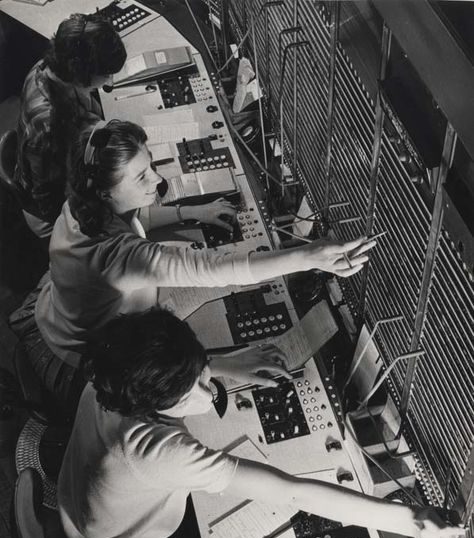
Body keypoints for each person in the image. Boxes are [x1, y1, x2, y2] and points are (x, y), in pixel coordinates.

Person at [58, 309, 464, 538]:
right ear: (157, 402)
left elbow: (169, 364)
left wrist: (225, 364)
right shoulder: (157, 451)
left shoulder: (114, 374)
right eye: (193, 389)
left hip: (76, 507)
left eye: (202, 372)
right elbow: (291, 492)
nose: (209, 389)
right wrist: (413, 522)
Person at [10, 118, 375, 417]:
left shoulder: (81, 204)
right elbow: (208, 268)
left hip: (52, 312)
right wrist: (310, 255)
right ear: (104, 192)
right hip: (78, 365)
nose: (156, 180)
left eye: (150, 166)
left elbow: (140, 216)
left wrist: (192, 211)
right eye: (141, 177)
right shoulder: (116, 257)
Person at [15, 14, 232, 241]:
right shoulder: (47, 126)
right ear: (80, 72)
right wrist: (188, 211)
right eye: (106, 74)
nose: (109, 83)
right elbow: (63, 204)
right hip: (56, 215)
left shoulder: (52, 67)